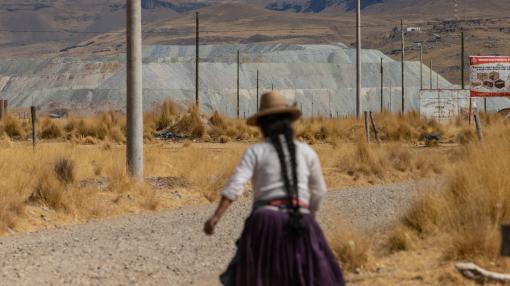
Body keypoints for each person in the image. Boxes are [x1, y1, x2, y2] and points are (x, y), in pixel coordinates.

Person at [204, 92, 345, 286]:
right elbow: (319, 191)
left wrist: (216, 217)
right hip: (300, 220)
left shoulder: (255, 152)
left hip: (264, 222)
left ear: (262, 125)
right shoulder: (307, 152)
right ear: (289, 123)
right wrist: (307, 216)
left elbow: (235, 186)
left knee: (249, 276)